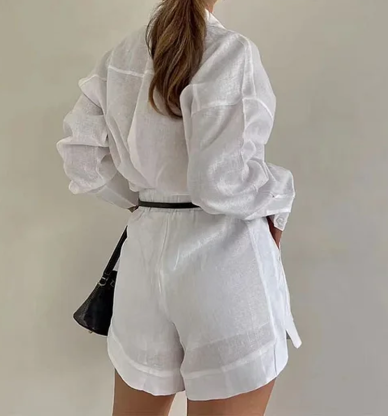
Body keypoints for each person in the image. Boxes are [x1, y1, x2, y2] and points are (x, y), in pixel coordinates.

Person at [57, 0, 302, 414]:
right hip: (225, 262)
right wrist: (280, 195)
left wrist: (144, 203)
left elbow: (80, 156)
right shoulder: (230, 51)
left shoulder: (120, 57)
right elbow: (219, 180)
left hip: (143, 264)